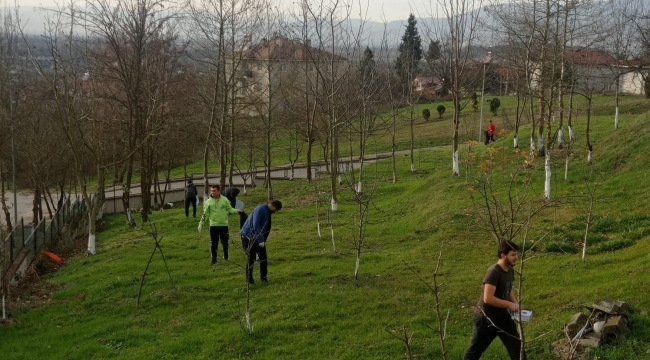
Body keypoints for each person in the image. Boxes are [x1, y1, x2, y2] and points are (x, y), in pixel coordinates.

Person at [463, 240, 527, 360]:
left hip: (502, 316)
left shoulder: (509, 269)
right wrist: (509, 305)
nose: (516, 258)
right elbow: (488, 298)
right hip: (486, 318)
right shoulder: (494, 272)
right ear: (503, 255)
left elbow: (508, 288)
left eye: (516, 254)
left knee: (517, 347)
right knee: (475, 350)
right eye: (513, 255)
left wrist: (515, 305)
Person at [240, 200, 283, 284]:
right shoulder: (261, 209)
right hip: (249, 236)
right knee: (251, 259)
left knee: (263, 258)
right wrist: (260, 240)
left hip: (257, 237)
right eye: (276, 210)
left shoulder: (266, 210)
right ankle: (249, 280)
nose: (275, 212)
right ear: (274, 207)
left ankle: (264, 277)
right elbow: (256, 225)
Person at [198, 185, 243, 265]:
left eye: (214, 191)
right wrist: (201, 223)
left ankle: (226, 256)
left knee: (225, 242)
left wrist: (236, 211)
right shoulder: (208, 202)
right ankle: (214, 260)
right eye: (211, 191)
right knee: (213, 243)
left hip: (223, 225)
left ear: (219, 191)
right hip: (213, 226)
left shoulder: (225, 200)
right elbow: (205, 214)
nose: (212, 192)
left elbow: (230, 209)